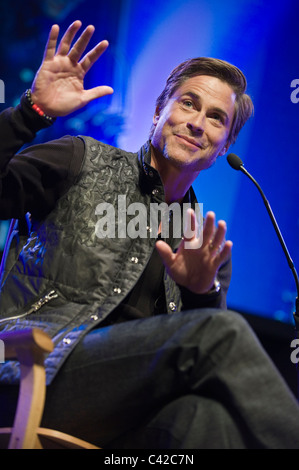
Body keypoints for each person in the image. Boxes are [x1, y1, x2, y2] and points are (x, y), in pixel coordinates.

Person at [0, 20, 299, 449]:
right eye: (189, 104)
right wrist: (31, 113)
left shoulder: (204, 244)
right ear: (159, 112)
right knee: (219, 333)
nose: (198, 123)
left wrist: (201, 289)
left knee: (205, 416)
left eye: (216, 119)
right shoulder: (79, 160)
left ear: (222, 148)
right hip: (32, 374)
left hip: (121, 413)